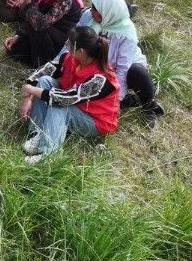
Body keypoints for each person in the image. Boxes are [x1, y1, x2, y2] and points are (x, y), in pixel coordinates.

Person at [18, 26, 119, 163]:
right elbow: (44, 71)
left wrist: (31, 90)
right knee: (44, 81)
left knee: (61, 106)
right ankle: (38, 132)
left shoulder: (100, 79)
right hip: (73, 102)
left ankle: (49, 154)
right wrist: (28, 95)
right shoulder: (69, 58)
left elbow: (66, 99)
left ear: (81, 51)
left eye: (69, 43)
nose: (66, 44)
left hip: (95, 120)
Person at [79, 0, 164, 126]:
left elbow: (122, 69)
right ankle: (129, 100)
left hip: (121, 69)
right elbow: (74, 41)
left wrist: (116, 101)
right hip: (100, 66)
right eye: (92, 8)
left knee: (137, 73)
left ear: (107, 13)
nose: (91, 12)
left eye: (95, 10)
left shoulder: (126, 33)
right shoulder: (88, 17)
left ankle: (149, 106)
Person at [3, 0, 84, 67]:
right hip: (45, 31)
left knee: (36, 25)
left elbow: (41, 24)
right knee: (15, 50)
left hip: (61, 39)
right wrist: (18, 35)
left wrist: (28, 3)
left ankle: (44, 61)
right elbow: (33, 18)